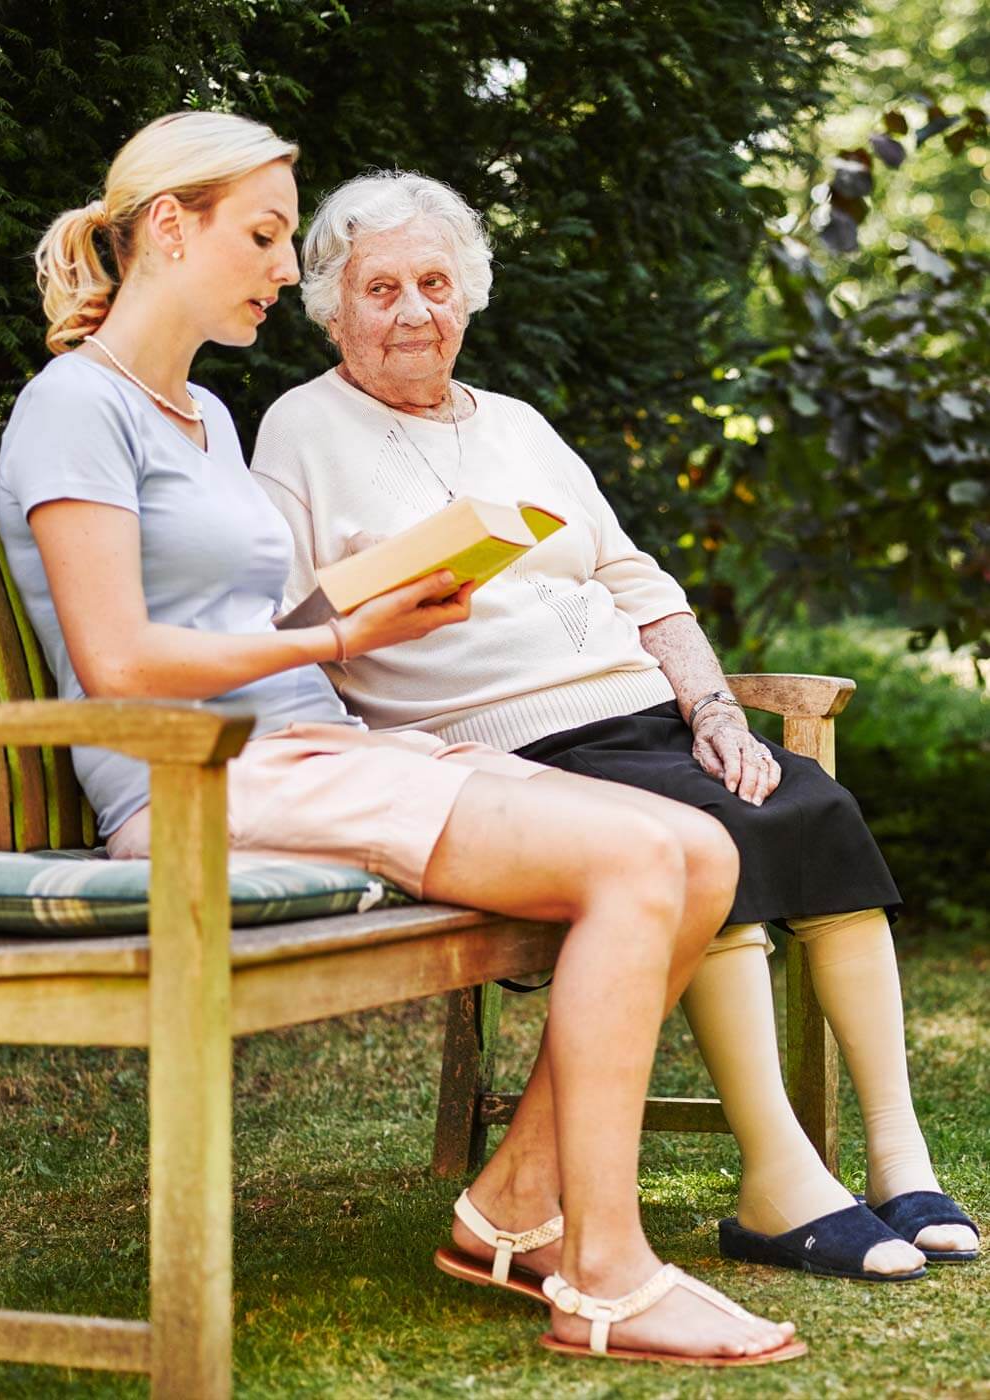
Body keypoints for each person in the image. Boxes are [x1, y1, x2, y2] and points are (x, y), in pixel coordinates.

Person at [0, 111, 808, 1368]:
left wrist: (381, 604)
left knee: (698, 847)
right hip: (204, 779)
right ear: (170, 227)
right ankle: (603, 1274)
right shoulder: (74, 410)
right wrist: (338, 637)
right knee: (643, 864)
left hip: (313, 749)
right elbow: (125, 663)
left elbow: (250, 614)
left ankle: (508, 1205)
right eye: (264, 237)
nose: (281, 268)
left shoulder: (202, 416)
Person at [250, 170, 979, 1283]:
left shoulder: (520, 425)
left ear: (469, 294)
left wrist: (713, 705)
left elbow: (638, 582)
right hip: (493, 747)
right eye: (381, 288)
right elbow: (287, 623)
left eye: (434, 283)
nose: (411, 312)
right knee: (706, 838)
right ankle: (776, 1182)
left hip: (631, 708)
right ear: (333, 308)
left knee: (807, 804)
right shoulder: (300, 428)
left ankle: (900, 1157)